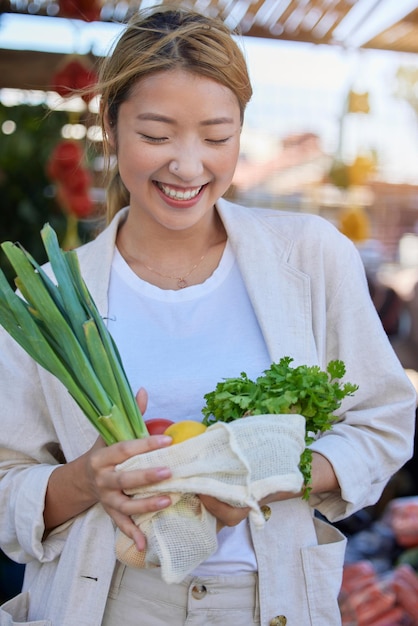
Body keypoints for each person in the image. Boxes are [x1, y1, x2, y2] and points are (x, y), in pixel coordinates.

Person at [0, 6, 416, 626]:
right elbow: (8, 481)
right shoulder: (55, 297)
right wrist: (87, 481)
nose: (189, 166)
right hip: (105, 601)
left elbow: (383, 423)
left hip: (269, 603)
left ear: (241, 132)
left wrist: (266, 473)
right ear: (109, 128)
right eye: (156, 135)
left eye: (216, 137)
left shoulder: (310, 255)